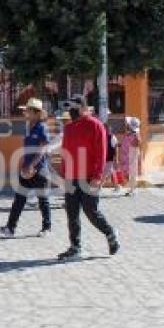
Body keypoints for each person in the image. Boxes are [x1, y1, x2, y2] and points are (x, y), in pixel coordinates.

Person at [57, 95, 120, 261]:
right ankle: (75, 247)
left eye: (73, 108)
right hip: (71, 178)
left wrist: (97, 176)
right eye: (68, 108)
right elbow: (65, 152)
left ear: (81, 107)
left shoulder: (95, 125)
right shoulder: (69, 128)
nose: (70, 111)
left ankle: (110, 232)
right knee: (71, 213)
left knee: (91, 211)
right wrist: (64, 174)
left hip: (89, 177)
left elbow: (101, 152)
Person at [0, 98, 52, 238]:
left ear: (36, 113)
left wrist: (32, 165)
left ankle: (47, 228)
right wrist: (25, 165)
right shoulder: (29, 126)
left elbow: (43, 148)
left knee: (42, 199)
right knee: (19, 199)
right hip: (27, 168)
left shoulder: (42, 127)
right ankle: (10, 228)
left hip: (39, 169)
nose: (25, 112)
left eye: (27, 110)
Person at [118, 116, 142, 196]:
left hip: (131, 156)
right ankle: (131, 188)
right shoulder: (128, 134)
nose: (126, 125)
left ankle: (132, 190)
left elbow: (136, 146)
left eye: (128, 124)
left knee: (132, 173)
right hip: (125, 157)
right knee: (126, 173)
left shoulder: (135, 135)